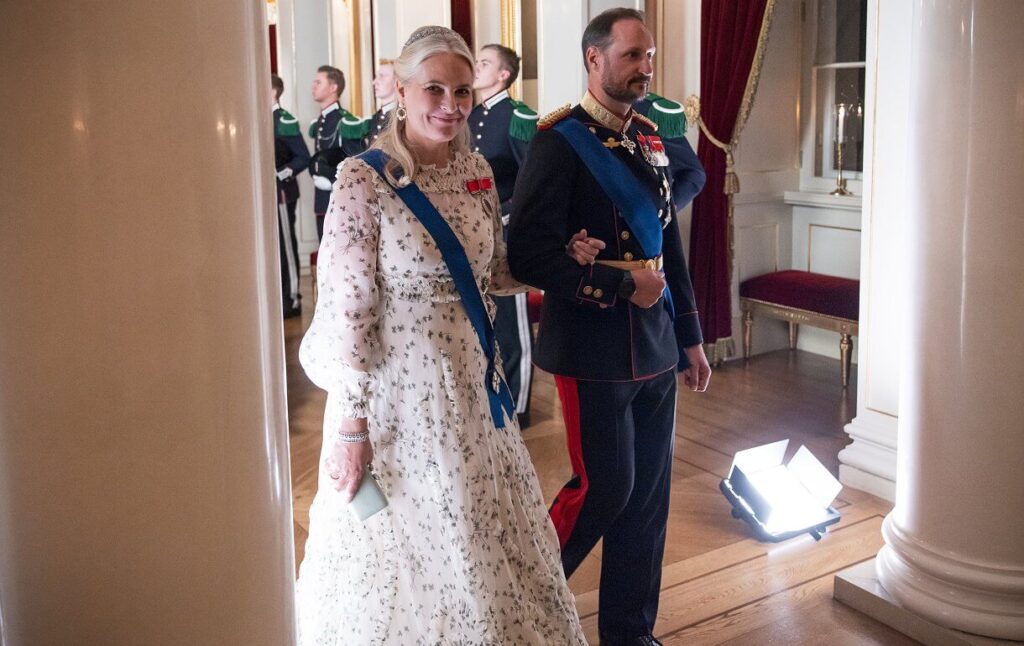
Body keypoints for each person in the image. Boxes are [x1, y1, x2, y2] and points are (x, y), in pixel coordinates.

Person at [295, 26, 587, 645]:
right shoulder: (361, 179)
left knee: (480, 533)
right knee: (407, 543)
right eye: (434, 89)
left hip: (476, 390)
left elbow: (493, 271)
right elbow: (351, 316)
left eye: (462, 91)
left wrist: (560, 254)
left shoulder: (475, 169)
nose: (451, 106)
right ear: (401, 90)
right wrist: (351, 428)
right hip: (399, 398)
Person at [508, 8, 712, 646]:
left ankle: (629, 632)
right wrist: (620, 283)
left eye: (648, 56)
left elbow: (666, 249)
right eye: (632, 56)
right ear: (595, 60)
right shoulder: (558, 139)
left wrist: (692, 337)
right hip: (594, 345)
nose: (646, 68)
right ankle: (523, 606)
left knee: (648, 501)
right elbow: (529, 255)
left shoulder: (651, 138)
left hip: (654, 345)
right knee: (605, 490)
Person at [469, 43, 539, 428]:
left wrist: (505, 213)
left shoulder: (519, 118)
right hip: (471, 233)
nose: (475, 68)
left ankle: (519, 405)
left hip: (507, 232)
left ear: (503, 75)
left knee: (512, 325)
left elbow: (534, 177)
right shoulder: (469, 116)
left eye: (484, 63)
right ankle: (489, 394)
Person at [309, 65, 370, 239]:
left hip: (341, 199)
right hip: (322, 199)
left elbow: (357, 162)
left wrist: (331, 181)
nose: (313, 86)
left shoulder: (345, 121)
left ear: (333, 87)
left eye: (318, 82)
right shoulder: (321, 121)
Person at [272, 74, 310, 318]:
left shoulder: (284, 120)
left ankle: (292, 298)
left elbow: (303, 157)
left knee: (286, 246)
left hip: (282, 193)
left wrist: (280, 174)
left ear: (273, 91)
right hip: (266, 196)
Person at [365, 58, 397, 148]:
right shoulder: (376, 117)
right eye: (376, 76)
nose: (374, 82)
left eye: (382, 76)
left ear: (397, 82)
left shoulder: (402, 116)